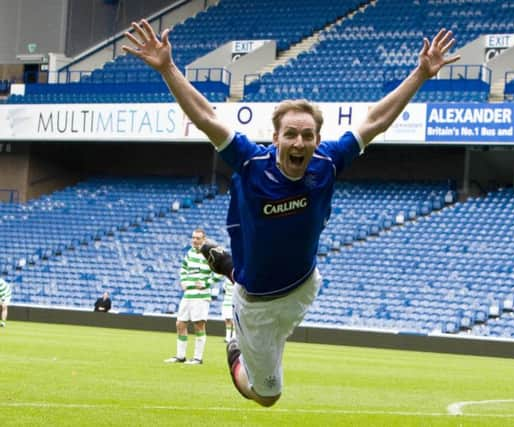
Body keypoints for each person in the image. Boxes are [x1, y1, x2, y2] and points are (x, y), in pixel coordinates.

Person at [124, 20, 460, 406]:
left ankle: (231, 266)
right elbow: (205, 117)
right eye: (291, 134)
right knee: (266, 396)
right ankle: (233, 340)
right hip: (258, 306)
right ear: (276, 138)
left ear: (317, 139)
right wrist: (168, 68)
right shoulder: (251, 163)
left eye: (308, 135)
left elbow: (375, 121)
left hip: (305, 285)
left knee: (278, 281)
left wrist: (420, 73)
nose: (299, 142)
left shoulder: (327, 161)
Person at [164, 228, 223, 365]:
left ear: (204, 239)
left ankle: (197, 358)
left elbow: (220, 272)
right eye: (193, 237)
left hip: (201, 295)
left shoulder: (210, 253)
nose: (194, 240)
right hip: (188, 293)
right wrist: (183, 281)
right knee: (180, 323)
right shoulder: (190, 253)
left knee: (199, 325)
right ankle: (180, 356)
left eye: (197, 238)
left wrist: (206, 283)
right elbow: (183, 268)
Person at [222, 278, 235, 343]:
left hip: (234, 301)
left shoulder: (237, 279)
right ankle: (227, 337)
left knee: (234, 320)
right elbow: (224, 289)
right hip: (226, 301)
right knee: (227, 320)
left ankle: (234, 337)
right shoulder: (226, 279)